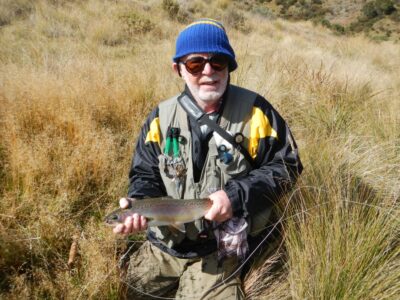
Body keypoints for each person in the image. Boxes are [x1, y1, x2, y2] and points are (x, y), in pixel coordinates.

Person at [113, 18, 303, 299]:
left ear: (229, 66)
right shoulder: (160, 119)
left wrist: (235, 197)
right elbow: (145, 174)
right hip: (166, 245)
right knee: (125, 290)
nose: (208, 71)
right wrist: (140, 204)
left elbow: (287, 166)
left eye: (218, 62)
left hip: (222, 248)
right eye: (195, 64)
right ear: (177, 68)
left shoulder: (256, 113)